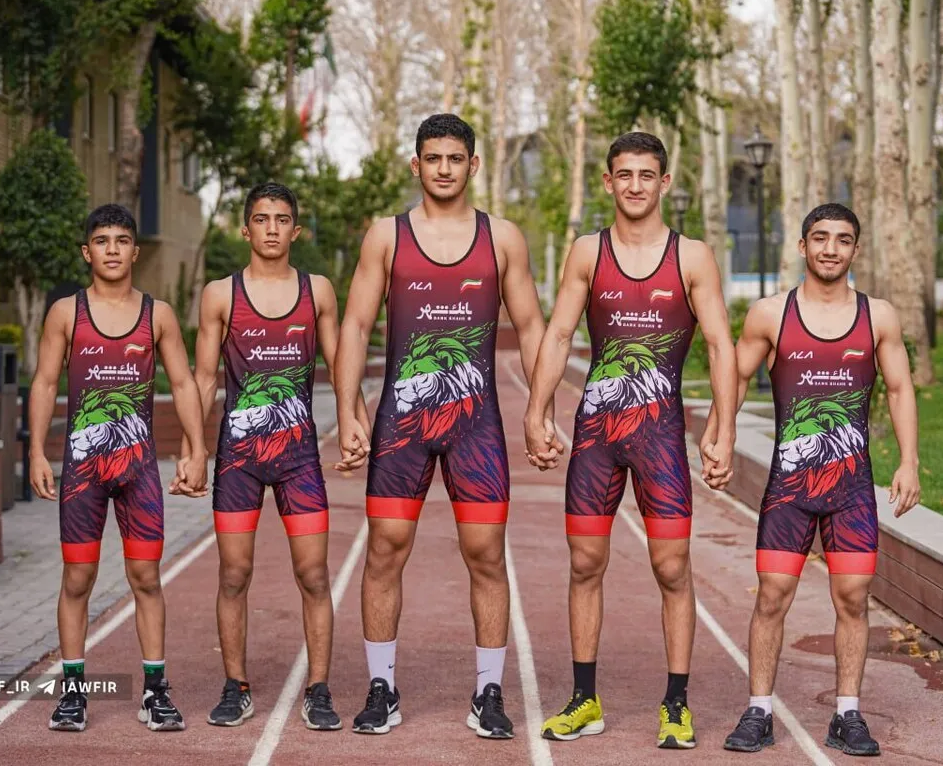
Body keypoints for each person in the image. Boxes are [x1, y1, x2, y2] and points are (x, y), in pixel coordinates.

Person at [333, 113, 552, 739]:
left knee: (486, 554)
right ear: (417, 164)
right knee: (384, 550)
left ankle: (489, 692)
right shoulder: (387, 236)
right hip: (401, 424)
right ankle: (382, 687)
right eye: (433, 158)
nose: (445, 169)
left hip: (475, 426)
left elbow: (531, 327)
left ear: (473, 165)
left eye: (456, 158)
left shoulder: (502, 238)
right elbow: (355, 325)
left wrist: (539, 411)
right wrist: (347, 410)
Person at [522, 131, 738, 749]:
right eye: (625, 174)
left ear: (664, 182)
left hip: (660, 438)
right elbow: (558, 334)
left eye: (647, 174)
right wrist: (537, 412)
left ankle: (676, 703)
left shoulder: (691, 257)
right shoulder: (587, 252)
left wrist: (722, 429)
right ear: (608, 181)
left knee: (671, 567)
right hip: (597, 436)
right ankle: (584, 699)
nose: (635, 185)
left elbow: (720, 344)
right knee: (584, 563)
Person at [705, 203, 921, 756]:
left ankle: (848, 714)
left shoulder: (879, 317)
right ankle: (758, 711)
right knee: (772, 596)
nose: (831, 248)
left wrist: (910, 461)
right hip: (790, 490)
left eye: (843, 239)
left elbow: (899, 389)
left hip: (852, 490)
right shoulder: (771, 314)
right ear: (802, 246)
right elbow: (735, 375)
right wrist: (720, 435)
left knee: (853, 598)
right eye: (820, 238)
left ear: (855, 249)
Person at [29, 203, 209, 733]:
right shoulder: (66, 313)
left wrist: (198, 450)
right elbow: (44, 382)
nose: (112, 249)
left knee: (146, 578)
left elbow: (183, 383)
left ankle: (155, 691)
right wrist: (36, 451)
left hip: (138, 471)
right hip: (82, 472)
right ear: (87, 252)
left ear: (135, 251)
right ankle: (73, 692)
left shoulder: (159, 315)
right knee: (77, 578)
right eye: (102, 241)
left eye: (122, 240)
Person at [189, 182, 361, 730]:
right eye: (261, 219)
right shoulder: (220, 295)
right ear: (246, 229)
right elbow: (203, 378)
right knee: (234, 574)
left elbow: (339, 363)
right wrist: (193, 449)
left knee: (313, 575)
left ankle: (319, 689)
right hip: (237, 458)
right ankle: (235, 685)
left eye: (281, 219)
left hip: (299, 458)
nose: (271, 228)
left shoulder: (317, 291)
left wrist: (352, 421)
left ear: (295, 230)